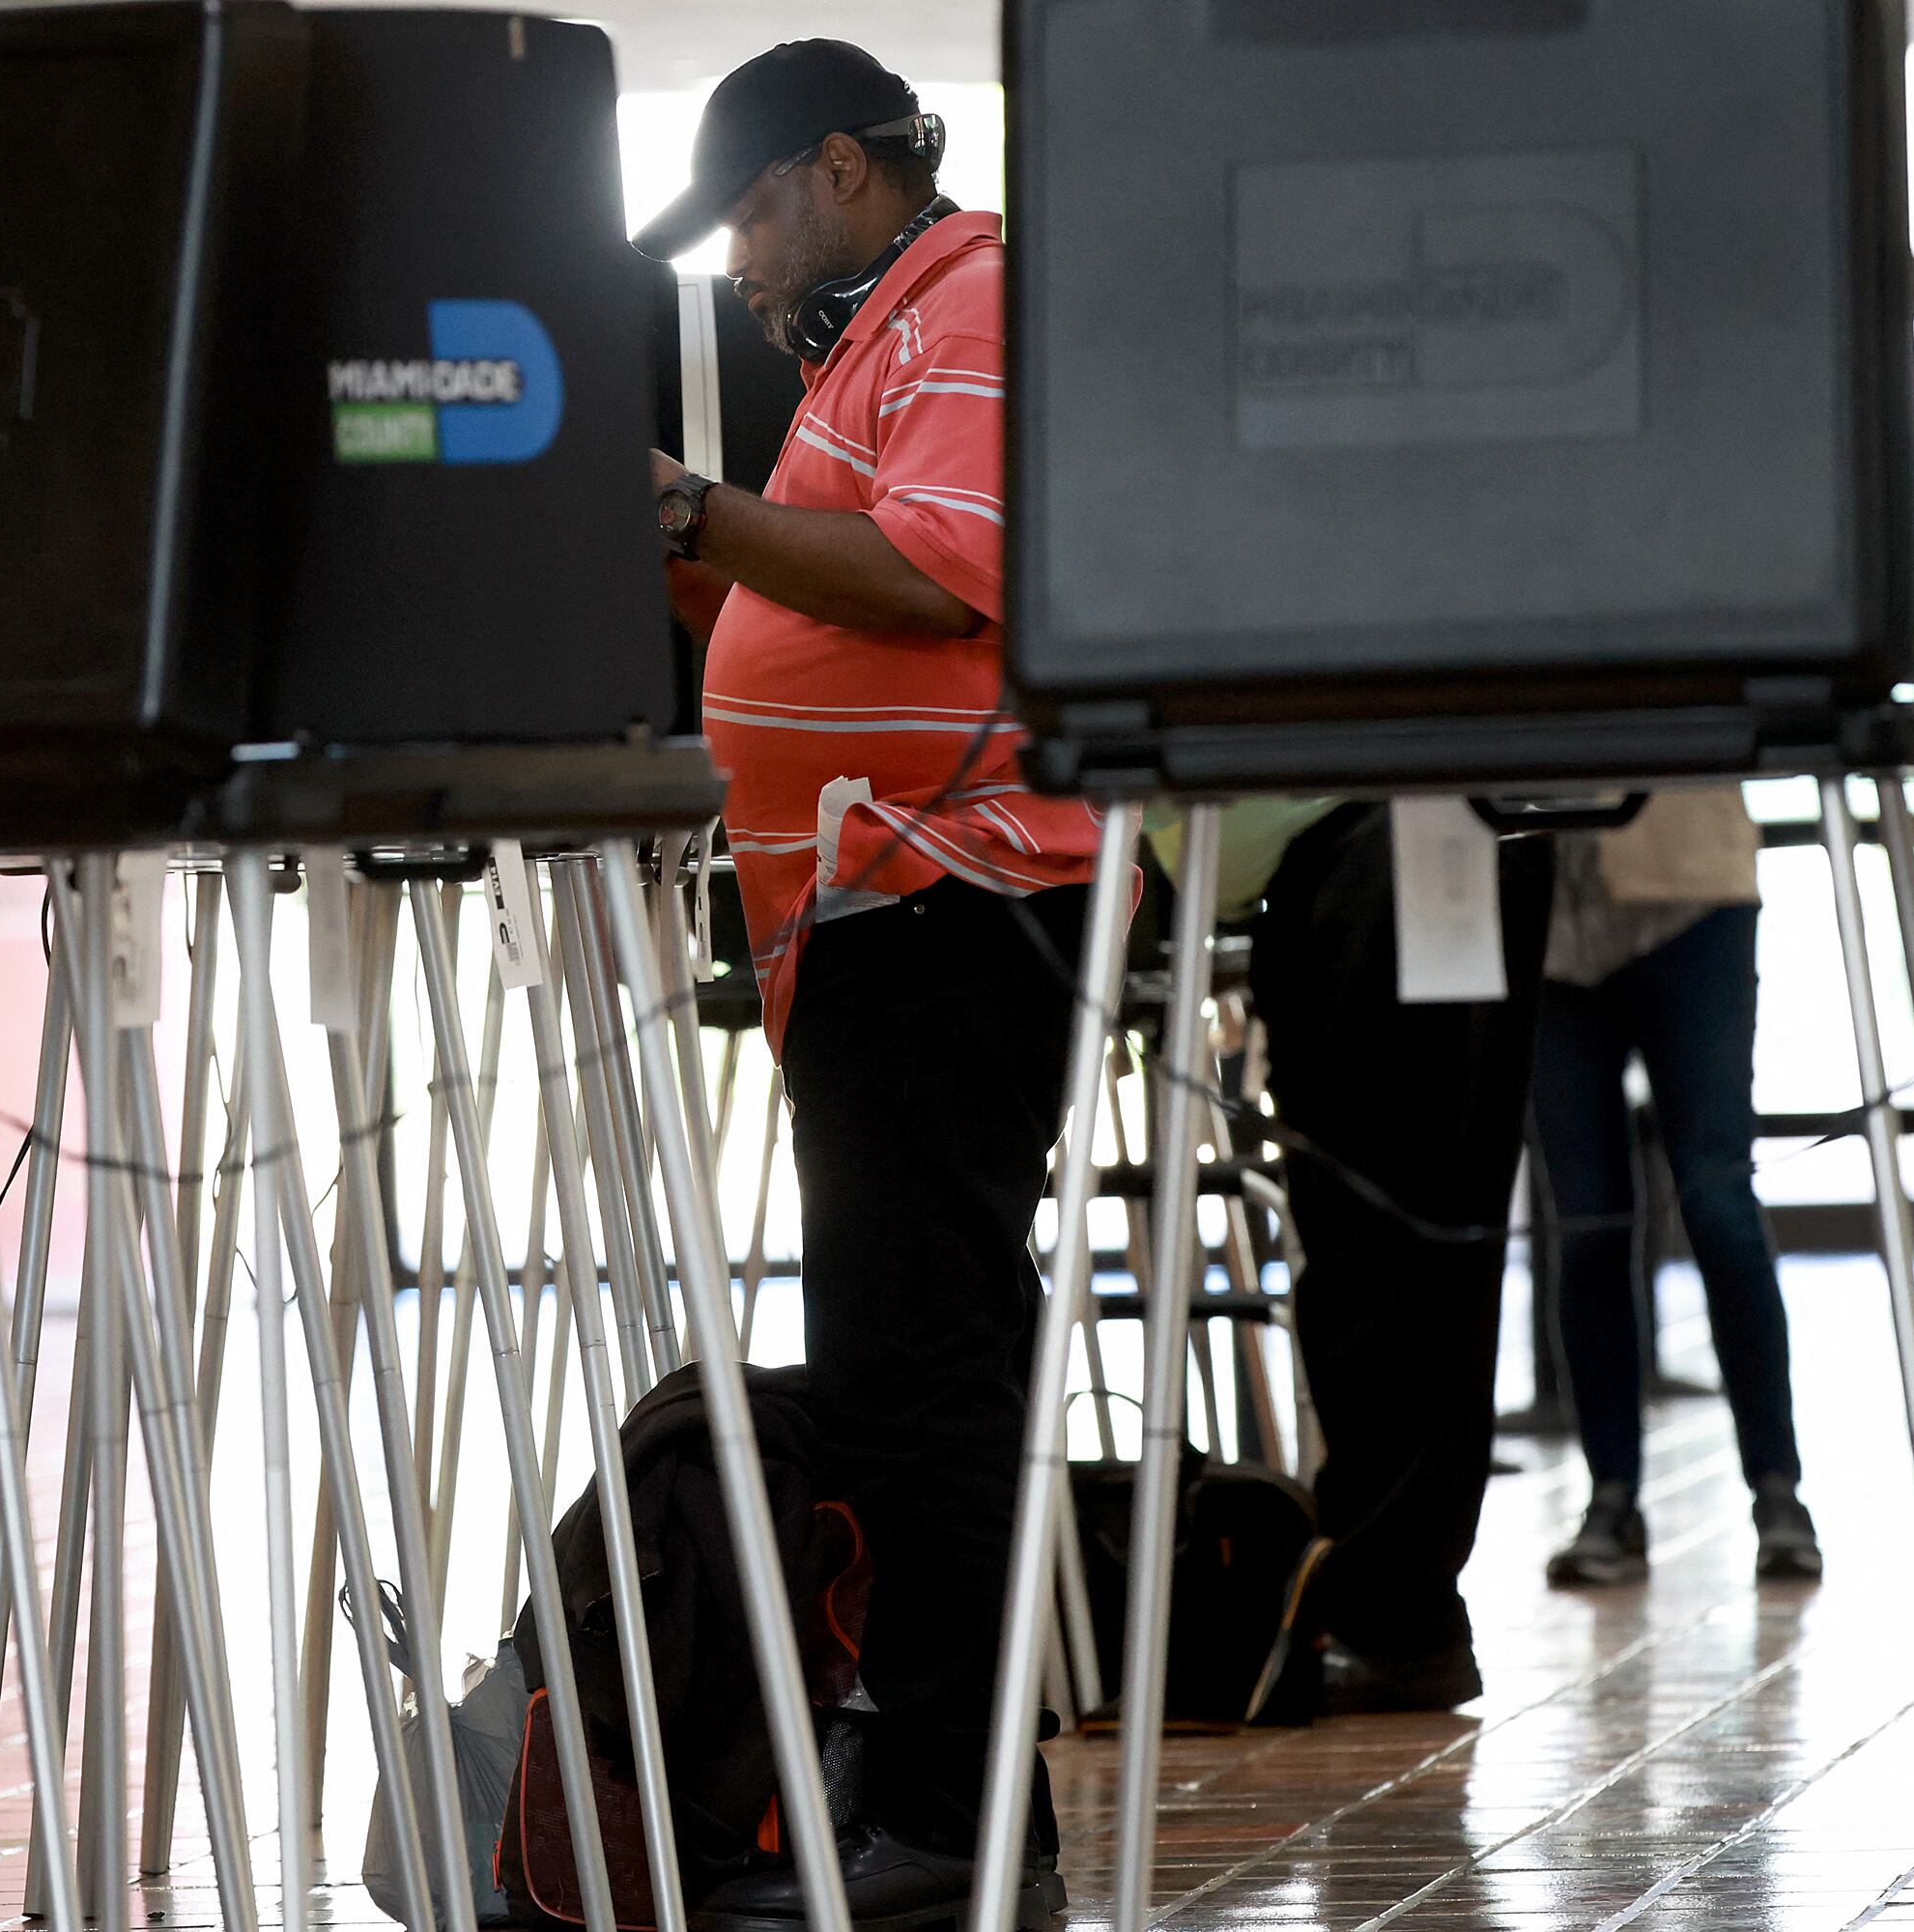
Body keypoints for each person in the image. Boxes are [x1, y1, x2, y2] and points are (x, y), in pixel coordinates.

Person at [632, 40, 1108, 1926]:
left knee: (924, 1373)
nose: (742, 260)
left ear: (843, 167)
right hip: (881, 905)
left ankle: (954, 1818)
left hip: (950, 894)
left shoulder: (966, 298)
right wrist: (717, 582)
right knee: (910, 1360)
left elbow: (935, 578)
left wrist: (689, 510)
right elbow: (833, 594)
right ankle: (944, 1791)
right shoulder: (877, 344)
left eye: (754, 212)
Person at [1238, 804, 1555, 1713]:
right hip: (1457, 828)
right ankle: (1402, 1613)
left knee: (1388, 1252)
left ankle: (1396, 1617)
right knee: (1429, 1246)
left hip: (1378, 844)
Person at [1531, 787, 1822, 1585]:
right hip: (1543, 915)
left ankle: (1778, 1492)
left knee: (1718, 1203)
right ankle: (1611, 1499)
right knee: (1586, 1225)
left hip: (1692, 891)